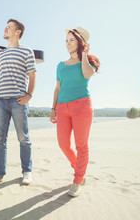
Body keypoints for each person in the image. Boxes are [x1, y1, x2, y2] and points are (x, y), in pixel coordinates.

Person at [0, 19, 37, 187]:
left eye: (9, 27)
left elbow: (33, 75)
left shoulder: (27, 51)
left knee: (23, 138)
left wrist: (29, 95)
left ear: (18, 32)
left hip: (18, 101)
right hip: (0, 101)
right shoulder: (1, 53)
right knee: (0, 139)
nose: (5, 29)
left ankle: (27, 171)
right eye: (5, 27)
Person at [50, 26, 100, 197]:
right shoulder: (60, 65)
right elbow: (57, 88)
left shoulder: (90, 61)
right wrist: (53, 108)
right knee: (63, 144)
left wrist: (85, 55)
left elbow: (86, 75)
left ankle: (78, 179)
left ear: (81, 42)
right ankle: (79, 168)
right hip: (62, 108)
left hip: (82, 107)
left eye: (72, 40)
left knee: (81, 146)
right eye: (66, 40)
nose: (68, 43)